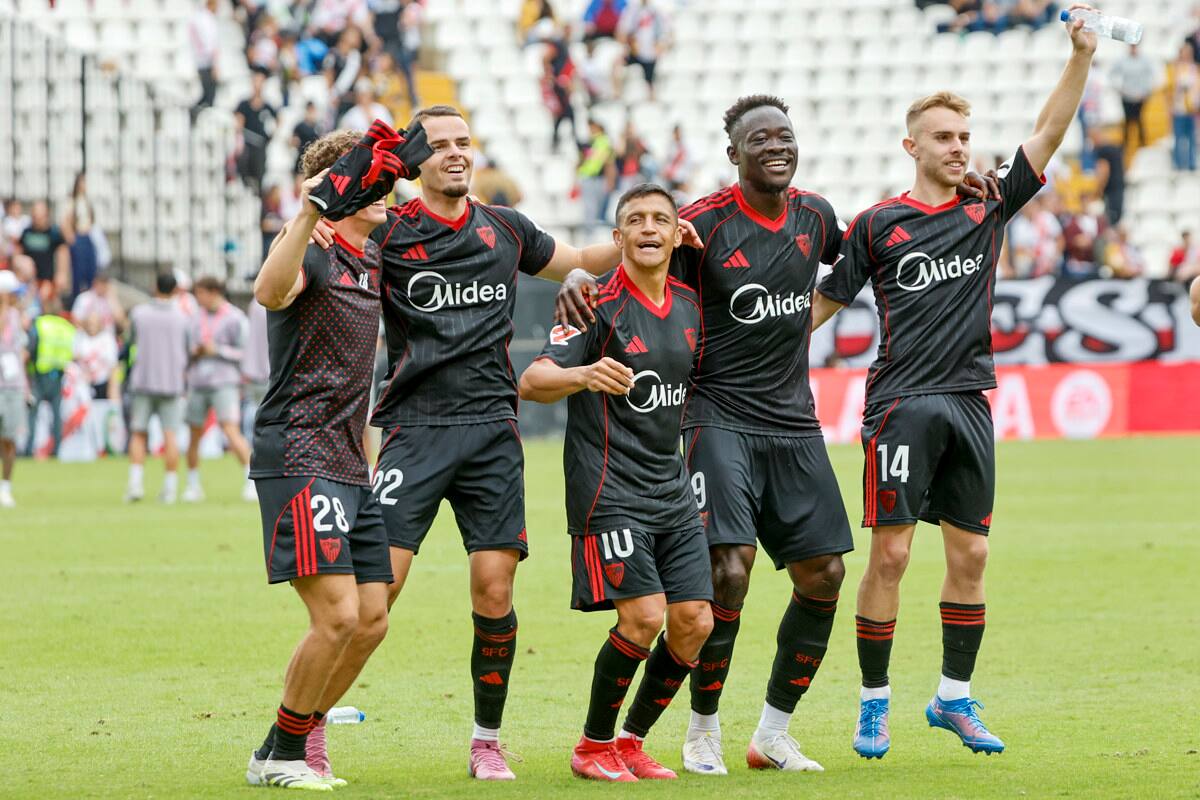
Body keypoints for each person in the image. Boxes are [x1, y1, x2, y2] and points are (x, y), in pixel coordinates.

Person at [556, 95, 997, 776]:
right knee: (728, 571)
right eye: (760, 140)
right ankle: (702, 729)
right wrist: (581, 275)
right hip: (717, 416)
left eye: (784, 137)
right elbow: (636, 252)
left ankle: (773, 733)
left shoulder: (816, 217)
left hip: (793, 420)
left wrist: (956, 192)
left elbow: (885, 243)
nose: (776, 147)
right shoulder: (705, 222)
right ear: (735, 154)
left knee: (825, 574)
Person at [294, 105, 691, 780]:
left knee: (494, 590)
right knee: (373, 601)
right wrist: (322, 210)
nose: (455, 153)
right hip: (414, 431)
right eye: (439, 145)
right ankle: (305, 728)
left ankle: (486, 742)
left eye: (463, 142)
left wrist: (664, 240)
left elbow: (580, 259)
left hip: (492, 432)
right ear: (415, 162)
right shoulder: (390, 231)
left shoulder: (505, 227)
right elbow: (326, 243)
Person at [812, 5, 1098, 761]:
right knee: (892, 557)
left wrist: (1080, 55)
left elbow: (1049, 133)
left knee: (971, 558)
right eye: (943, 137)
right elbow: (822, 305)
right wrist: (742, 352)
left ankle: (952, 698)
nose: (958, 147)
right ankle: (873, 705)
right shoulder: (878, 224)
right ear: (912, 145)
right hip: (900, 404)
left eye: (965, 137)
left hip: (970, 400)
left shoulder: (987, 203)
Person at [519, 184, 712, 782]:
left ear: (677, 234)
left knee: (696, 622)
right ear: (618, 236)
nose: (649, 228)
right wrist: (583, 374)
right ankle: (591, 746)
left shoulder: (691, 303)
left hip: (672, 490)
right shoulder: (592, 302)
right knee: (645, 616)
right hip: (610, 490)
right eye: (636, 219)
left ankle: (630, 742)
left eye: (660, 219)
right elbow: (532, 380)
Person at [243, 129, 394, 792]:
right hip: (299, 452)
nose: (382, 189)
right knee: (336, 615)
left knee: (372, 618)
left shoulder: (373, 256)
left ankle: (281, 746)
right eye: (367, 178)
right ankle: (283, 754)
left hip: (350, 462)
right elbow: (269, 292)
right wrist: (306, 214)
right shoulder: (313, 248)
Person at [183, 275, 255, 503]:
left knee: (231, 430)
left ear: (213, 292)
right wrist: (196, 351)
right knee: (194, 434)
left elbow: (245, 352)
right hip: (198, 382)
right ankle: (193, 485)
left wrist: (218, 350)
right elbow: (187, 348)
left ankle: (251, 481)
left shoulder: (235, 317)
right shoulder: (195, 317)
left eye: (201, 293)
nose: (197, 298)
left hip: (224, 382)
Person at [125, 272, 191, 503]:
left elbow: (129, 341)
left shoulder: (139, 314)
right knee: (170, 434)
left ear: (155, 286)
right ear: (175, 290)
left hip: (143, 380)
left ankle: (135, 484)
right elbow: (189, 348)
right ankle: (170, 488)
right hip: (171, 382)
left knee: (138, 433)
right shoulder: (182, 317)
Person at [25, 294, 76, 457]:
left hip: (40, 376)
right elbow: (72, 352)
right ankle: (57, 450)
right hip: (58, 375)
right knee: (56, 415)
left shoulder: (40, 324)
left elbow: (30, 348)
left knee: (33, 413)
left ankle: (28, 449)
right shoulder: (67, 327)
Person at [0, 270, 26, 507]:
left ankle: (5, 487)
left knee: (8, 438)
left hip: (13, 385)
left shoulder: (17, 317)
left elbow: (20, 353)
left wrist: (25, 387)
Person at [616, 0, 670, 102]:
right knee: (617, 64)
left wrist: (660, 46)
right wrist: (630, 45)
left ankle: (651, 99)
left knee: (651, 80)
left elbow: (665, 33)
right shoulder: (632, 11)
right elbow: (622, 32)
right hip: (635, 52)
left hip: (651, 54)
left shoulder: (656, 11)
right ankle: (617, 95)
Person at [235, 67, 278, 192]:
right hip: (247, 145)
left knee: (259, 177)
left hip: (261, 146)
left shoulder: (268, 106)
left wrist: (271, 134)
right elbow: (239, 123)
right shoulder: (244, 104)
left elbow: (277, 120)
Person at [16, 200, 69, 303]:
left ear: (46, 216)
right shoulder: (26, 232)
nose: (37, 220)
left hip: (47, 279)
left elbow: (62, 252)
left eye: (39, 217)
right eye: (34, 217)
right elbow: (18, 251)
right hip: (29, 280)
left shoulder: (53, 233)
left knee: (47, 303)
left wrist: (62, 273)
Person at [1109, 43, 1158, 147]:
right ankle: (1126, 145)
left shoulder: (1144, 60)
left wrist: (1147, 91)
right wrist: (1119, 89)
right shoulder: (1122, 60)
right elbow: (1111, 74)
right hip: (1127, 96)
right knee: (1127, 121)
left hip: (1140, 97)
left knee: (1139, 120)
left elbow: (1153, 76)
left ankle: (1142, 145)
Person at [1166, 43, 1199, 171]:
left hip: (1191, 109)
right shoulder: (1175, 69)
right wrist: (1169, 107)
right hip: (1178, 109)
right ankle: (1178, 164)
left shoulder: (1194, 69)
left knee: (1191, 138)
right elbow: (1170, 90)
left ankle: (1191, 163)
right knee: (1178, 138)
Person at [71, 270, 125, 335]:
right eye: (100, 283)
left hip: (107, 337)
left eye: (104, 284)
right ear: (95, 283)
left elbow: (121, 323)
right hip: (87, 336)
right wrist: (94, 325)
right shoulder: (84, 298)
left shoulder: (110, 299)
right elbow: (75, 320)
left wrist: (112, 298)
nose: (102, 287)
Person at [189, 0, 220, 111]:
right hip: (207, 61)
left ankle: (195, 111)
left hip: (200, 60)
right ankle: (195, 112)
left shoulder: (199, 18)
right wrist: (215, 64)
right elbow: (210, 44)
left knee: (207, 94)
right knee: (209, 95)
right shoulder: (208, 20)